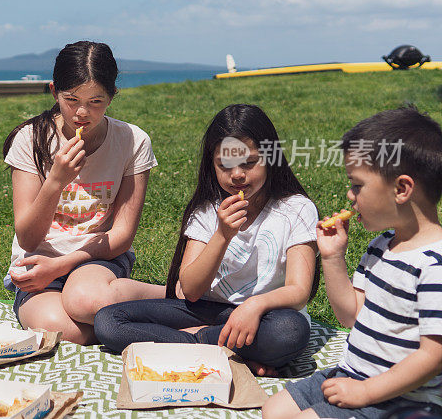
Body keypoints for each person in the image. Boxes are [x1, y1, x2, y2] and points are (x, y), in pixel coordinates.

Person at [94, 104, 318, 376]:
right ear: (212, 164)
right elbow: (190, 290)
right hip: (207, 310)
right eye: (225, 165)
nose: (237, 174)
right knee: (109, 321)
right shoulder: (207, 210)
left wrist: (254, 305)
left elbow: (299, 290)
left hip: (266, 318)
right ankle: (218, 347)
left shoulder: (296, 209)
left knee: (290, 332)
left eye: (249, 162)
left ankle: (198, 342)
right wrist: (222, 234)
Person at [263, 106, 442, 419]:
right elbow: (350, 315)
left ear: (401, 189)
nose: (350, 195)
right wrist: (332, 258)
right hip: (352, 374)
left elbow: (434, 356)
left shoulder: (434, 265)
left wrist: (367, 392)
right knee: (273, 410)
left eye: (357, 185)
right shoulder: (381, 246)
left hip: (403, 399)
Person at [2, 41, 163, 345]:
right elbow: (28, 238)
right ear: (54, 92)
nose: (82, 113)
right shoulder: (30, 140)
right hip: (38, 267)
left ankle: (178, 297)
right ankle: (126, 319)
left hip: (98, 258)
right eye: (71, 99)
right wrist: (55, 182)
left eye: (96, 102)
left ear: (112, 97)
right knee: (66, 333)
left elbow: (122, 236)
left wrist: (62, 265)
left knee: (86, 303)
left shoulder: (132, 141)